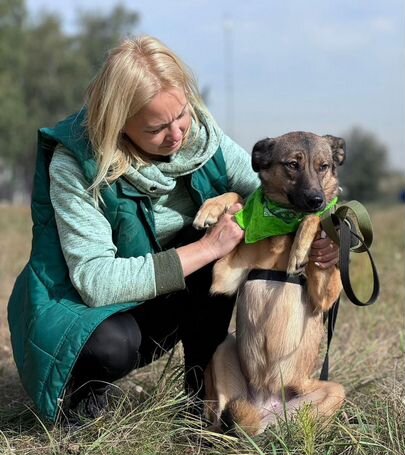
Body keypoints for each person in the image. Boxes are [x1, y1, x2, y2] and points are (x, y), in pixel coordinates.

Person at [7, 36, 339, 424]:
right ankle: (81, 393)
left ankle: (201, 397)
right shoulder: (76, 165)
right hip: (86, 311)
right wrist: (207, 249)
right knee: (110, 345)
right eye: (156, 128)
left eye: (181, 114)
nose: (178, 134)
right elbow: (95, 281)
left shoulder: (202, 138)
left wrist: (327, 235)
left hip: (164, 294)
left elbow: (269, 198)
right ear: (117, 123)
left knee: (207, 247)